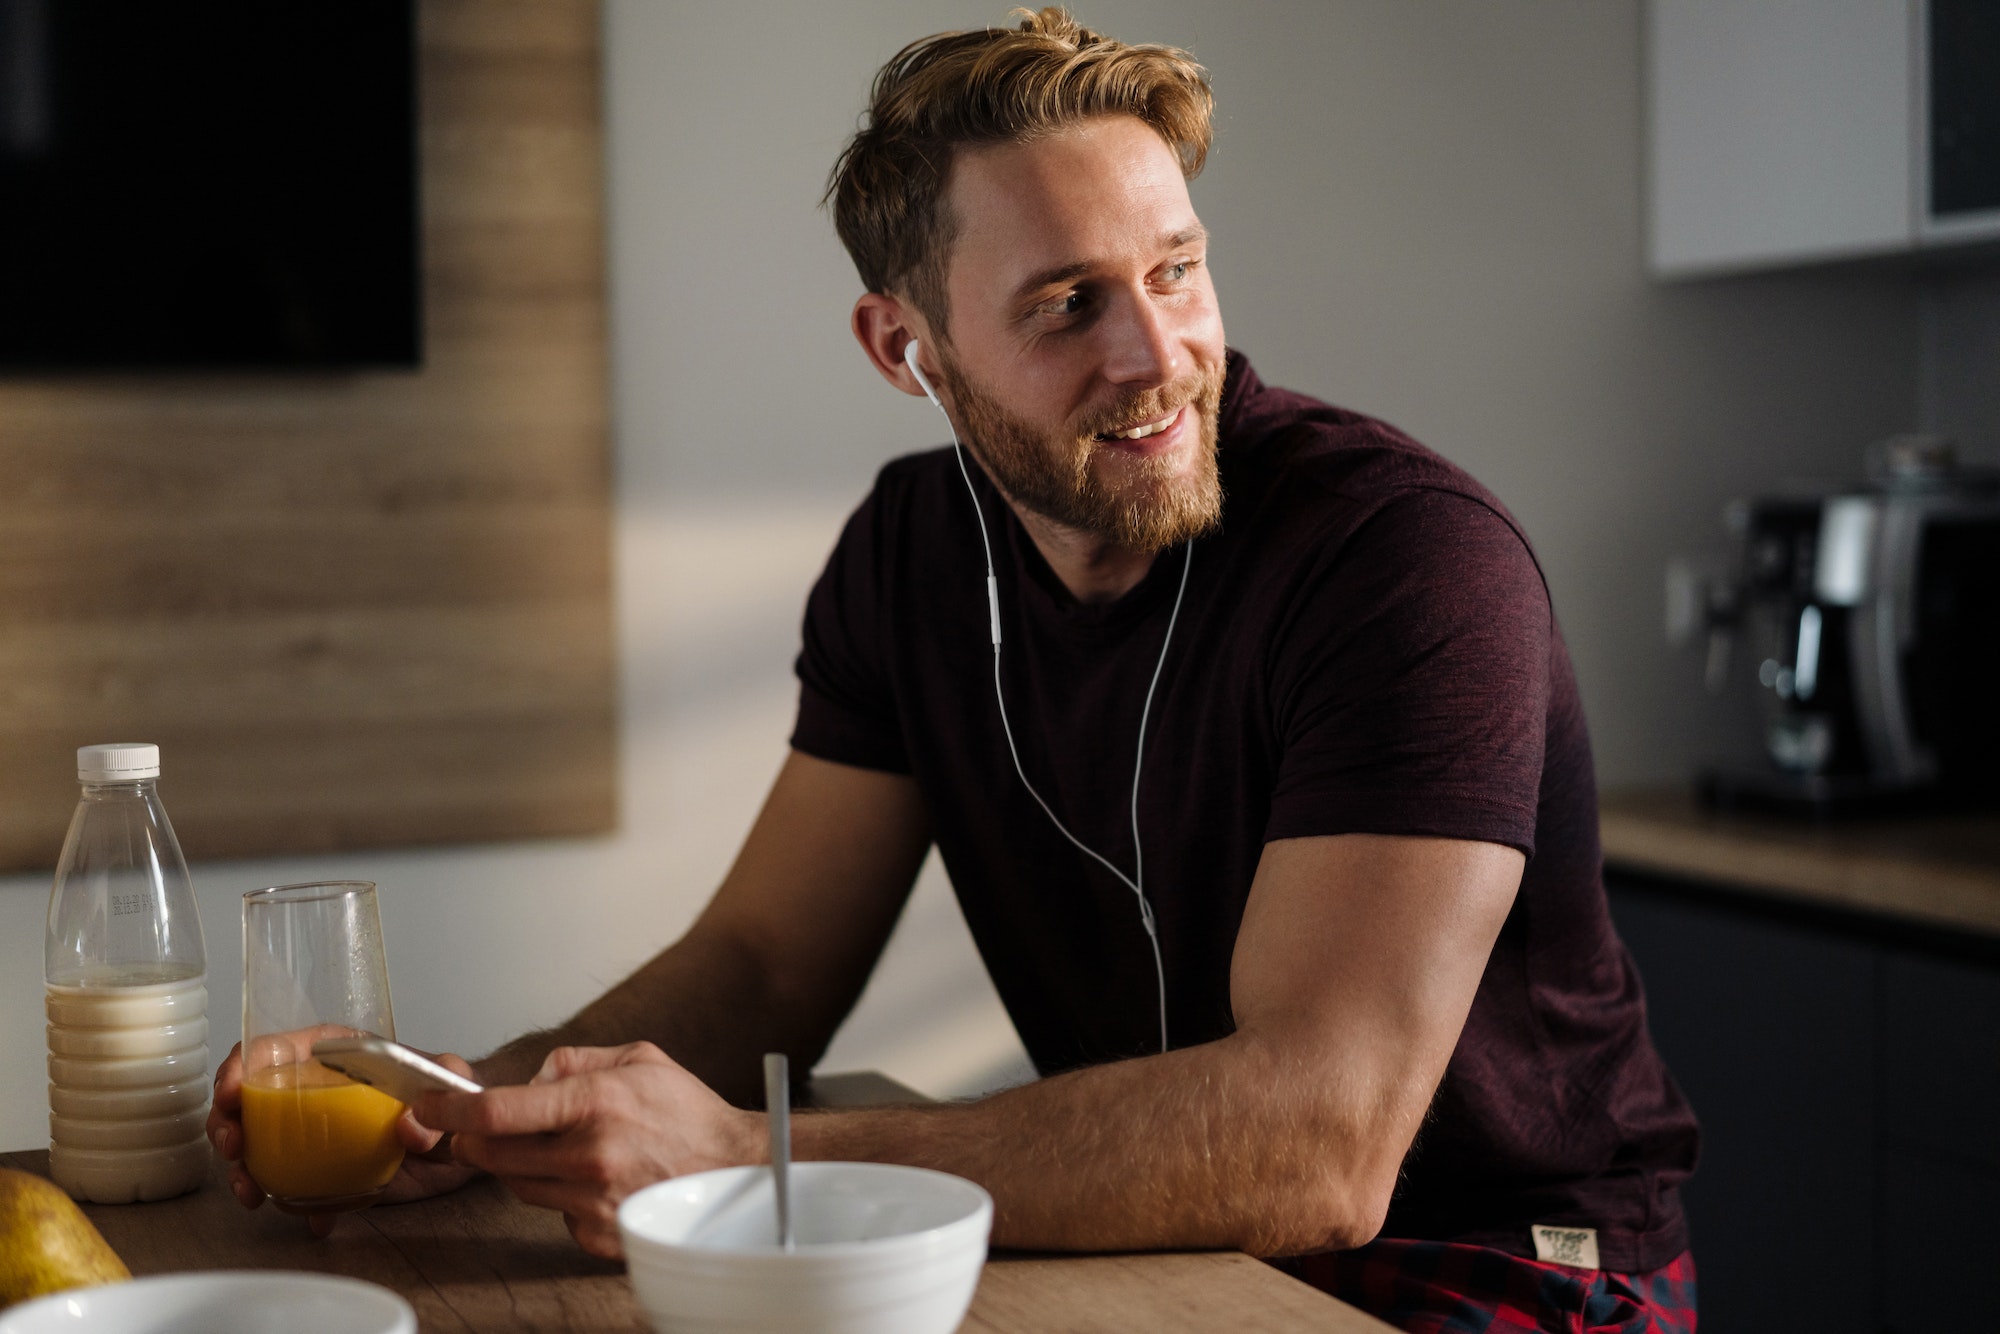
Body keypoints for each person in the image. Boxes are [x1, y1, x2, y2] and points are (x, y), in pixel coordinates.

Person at [208, 10, 1699, 1330]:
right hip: (1150, 1243)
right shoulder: (909, 554)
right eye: (1067, 304)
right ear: (902, 346)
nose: (1155, 352)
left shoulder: (1407, 562)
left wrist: (748, 1160)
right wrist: (467, 1112)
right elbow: (764, 965)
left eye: (1176, 270)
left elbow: (1319, 1141)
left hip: (1506, 1266)